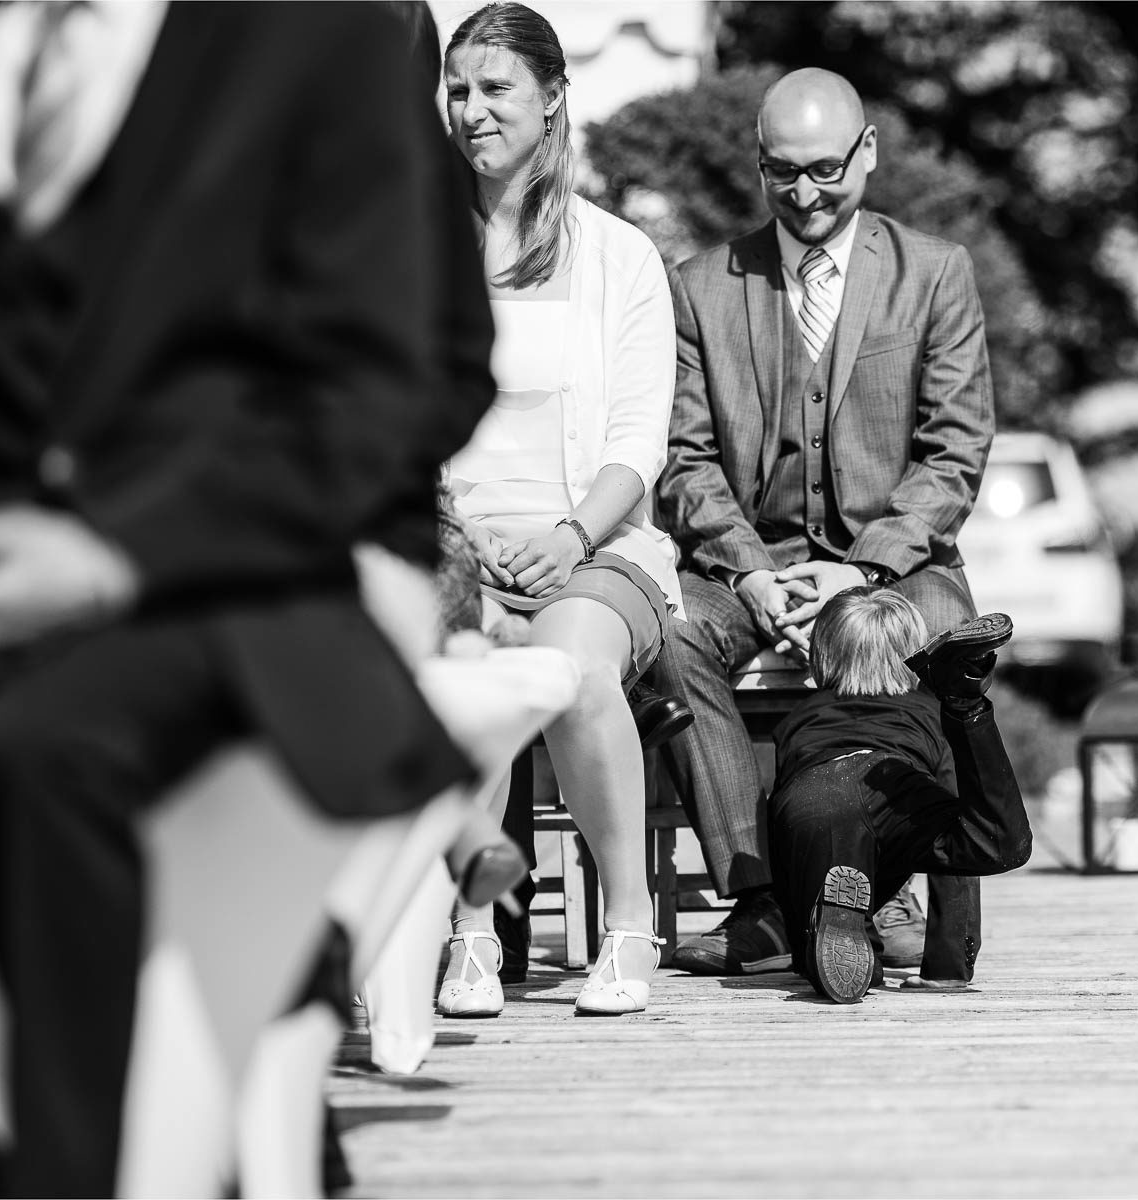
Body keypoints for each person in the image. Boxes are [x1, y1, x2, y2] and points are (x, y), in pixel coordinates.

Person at [0, 3, 485, 1194]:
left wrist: (112, 554)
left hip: (229, 578)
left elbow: (403, 376)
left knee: (44, 748)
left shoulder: (318, 36)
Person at [652, 67, 995, 985]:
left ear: (868, 151)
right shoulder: (698, 287)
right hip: (746, 566)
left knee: (933, 633)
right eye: (779, 172)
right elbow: (684, 462)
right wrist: (753, 571)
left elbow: (955, 453)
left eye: (824, 170)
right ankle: (761, 895)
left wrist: (865, 573)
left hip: (901, 566)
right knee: (669, 631)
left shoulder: (935, 273)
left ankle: (887, 886)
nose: (803, 194)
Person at [432, 1, 679, 1019]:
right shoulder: (412, 251)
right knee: (467, 666)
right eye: (458, 89)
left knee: (571, 668)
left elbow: (637, 441)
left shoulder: (619, 256)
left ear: (550, 102)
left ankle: (627, 929)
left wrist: (570, 535)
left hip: (597, 544)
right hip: (453, 550)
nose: (473, 110)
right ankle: (468, 936)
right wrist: (457, 536)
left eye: (496, 90)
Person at [769, 597, 1031, 1003]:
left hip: (813, 794)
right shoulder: (928, 711)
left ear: (821, 653)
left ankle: (847, 937)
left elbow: (783, 836)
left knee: (826, 935)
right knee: (993, 841)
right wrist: (949, 965)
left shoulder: (798, 717)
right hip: (893, 784)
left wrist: (793, 924)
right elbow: (955, 866)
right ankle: (969, 703)